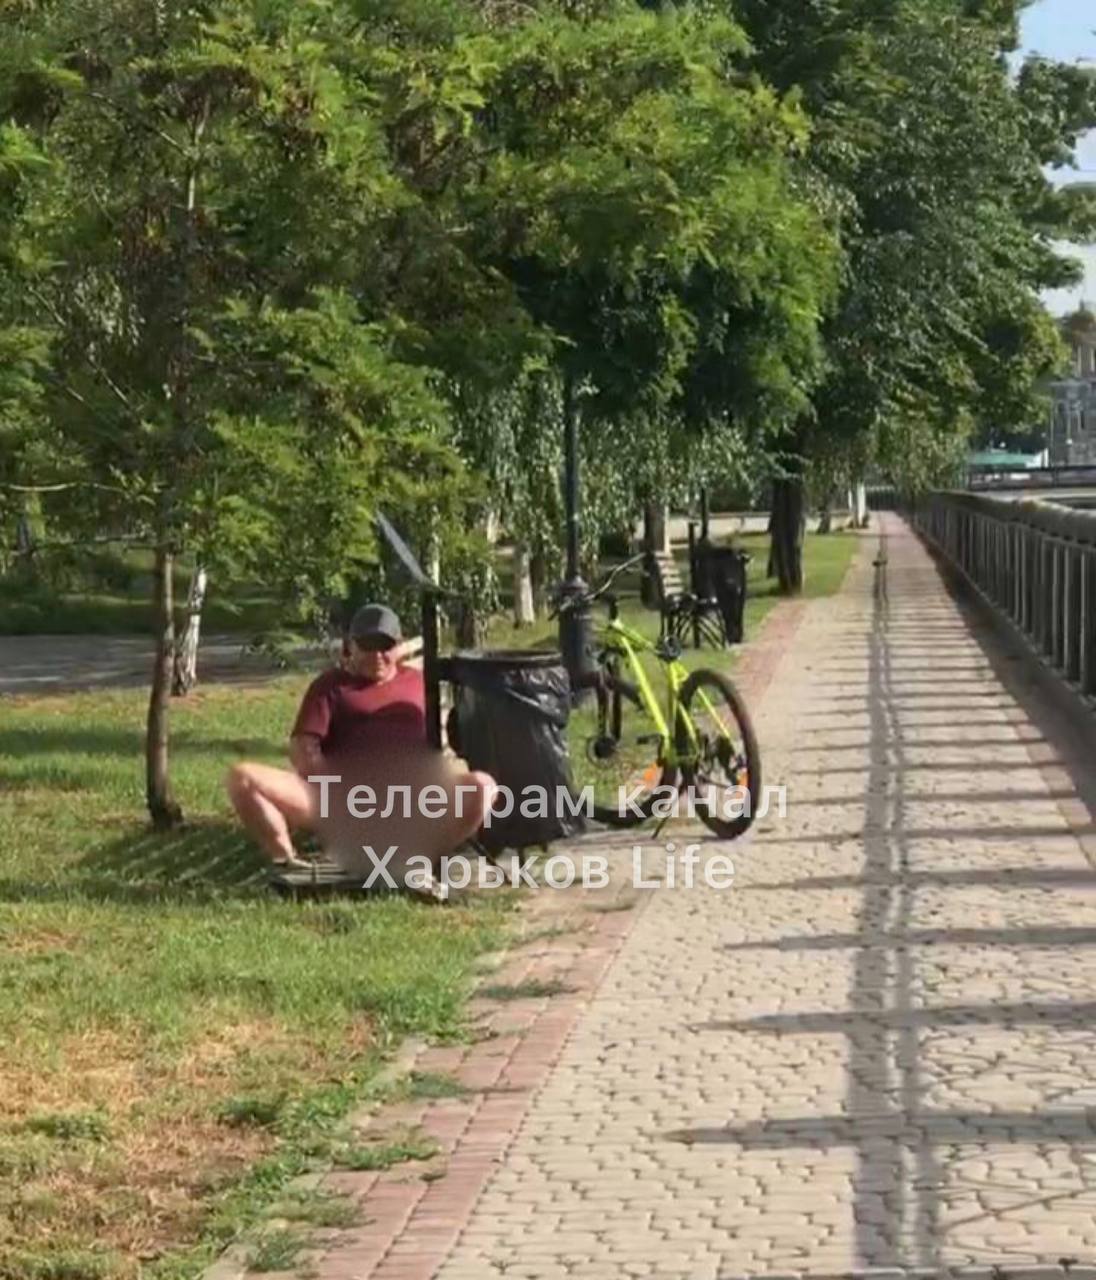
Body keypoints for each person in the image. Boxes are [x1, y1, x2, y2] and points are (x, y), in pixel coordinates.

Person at [225, 603, 495, 889]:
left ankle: (414, 860)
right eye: (367, 645)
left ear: (398, 646)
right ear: (350, 647)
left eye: (385, 646)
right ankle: (288, 863)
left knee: (483, 786)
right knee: (242, 778)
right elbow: (303, 750)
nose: (377, 655)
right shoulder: (329, 687)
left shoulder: (419, 683)